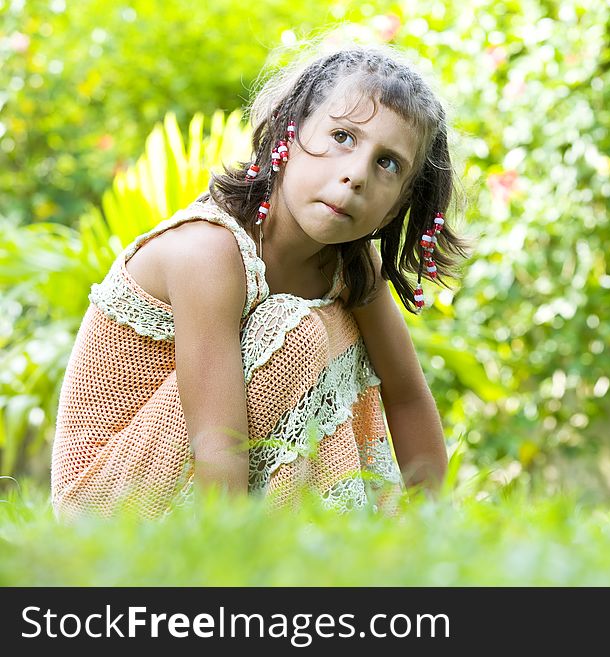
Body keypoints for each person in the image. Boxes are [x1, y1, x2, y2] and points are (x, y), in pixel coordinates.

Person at [50, 44, 468, 520]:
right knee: (296, 331)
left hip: (188, 473)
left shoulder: (351, 267)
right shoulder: (210, 253)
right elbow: (217, 442)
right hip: (106, 502)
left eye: (387, 163)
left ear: (396, 206)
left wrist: (435, 526)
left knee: (330, 325)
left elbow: (408, 394)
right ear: (286, 135)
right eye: (342, 136)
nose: (355, 175)